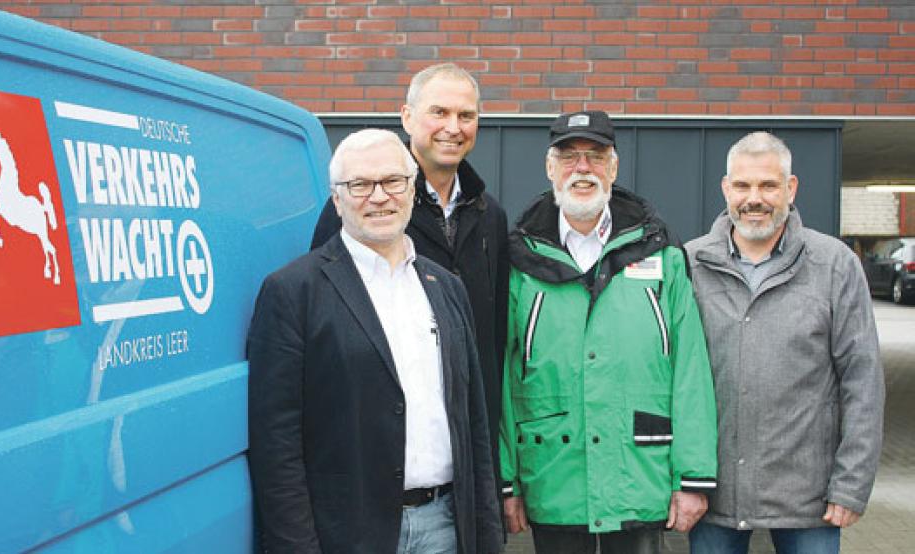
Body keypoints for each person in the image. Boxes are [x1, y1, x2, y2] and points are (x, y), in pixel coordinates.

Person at [247, 128, 503, 554]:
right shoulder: (293, 292)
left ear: (412, 187)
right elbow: (277, 447)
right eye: (360, 185)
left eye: (392, 181)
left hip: (446, 525)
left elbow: (474, 422)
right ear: (337, 198)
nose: (379, 196)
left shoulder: (446, 288)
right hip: (347, 534)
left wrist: (487, 534)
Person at [499, 110, 718, 553]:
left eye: (595, 157)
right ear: (549, 168)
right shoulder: (519, 257)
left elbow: (690, 368)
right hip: (554, 474)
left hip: (638, 474)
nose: (582, 168)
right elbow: (501, 372)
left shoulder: (661, 252)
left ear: (613, 168)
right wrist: (507, 480)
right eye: (569, 157)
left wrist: (693, 477)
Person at [685, 131, 885, 554]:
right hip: (713, 494)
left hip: (808, 498)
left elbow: (863, 381)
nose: (753, 198)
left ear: (790, 189)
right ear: (726, 188)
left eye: (768, 185)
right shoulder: (690, 263)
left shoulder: (834, 265)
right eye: (742, 185)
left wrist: (851, 485)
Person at [310, 64, 509, 474]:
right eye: (439, 112)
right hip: (373, 459)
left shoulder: (491, 218)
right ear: (407, 117)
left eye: (466, 116)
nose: (453, 127)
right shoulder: (362, 208)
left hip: (465, 454)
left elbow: (494, 342)